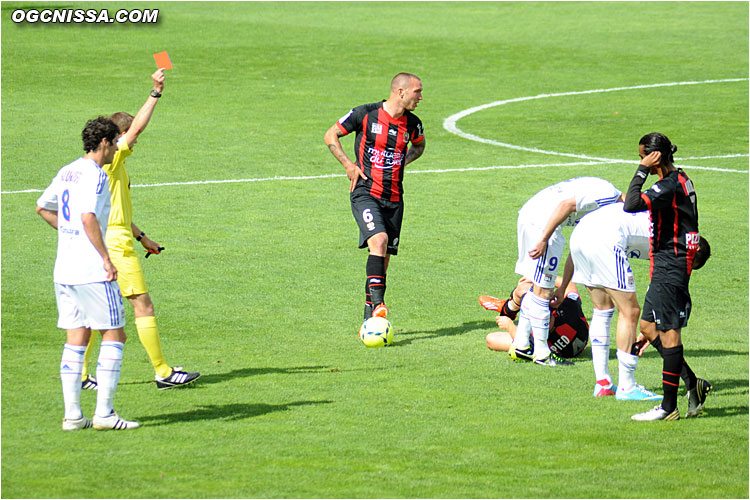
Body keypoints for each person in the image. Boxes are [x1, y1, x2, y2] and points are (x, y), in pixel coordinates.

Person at [81, 69, 200, 391]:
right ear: (115, 137)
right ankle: (162, 372)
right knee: (142, 305)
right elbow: (135, 131)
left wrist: (142, 236)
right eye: (129, 136)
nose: (135, 143)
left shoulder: (90, 166)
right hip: (114, 244)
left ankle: (79, 375)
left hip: (99, 241)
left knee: (98, 310)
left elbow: (110, 207)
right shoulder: (113, 159)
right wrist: (155, 92)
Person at [36, 116, 139, 431]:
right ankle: (105, 415)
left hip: (64, 270)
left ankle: (72, 417)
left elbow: (43, 207)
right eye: (113, 146)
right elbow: (88, 217)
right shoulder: (95, 175)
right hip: (91, 271)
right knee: (114, 333)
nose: (114, 153)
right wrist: (106, 259)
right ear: (105, 143)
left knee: (76, 337)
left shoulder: (67, 170)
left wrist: (69, 235)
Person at [323, 73, 425, 332]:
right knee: (377, 240)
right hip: (365, 192)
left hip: (394, 198)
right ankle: (380, 305)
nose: (421, 98)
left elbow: (420, 146)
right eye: (417, 92)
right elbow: (331, 135)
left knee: (383, 258)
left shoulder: (413, 124)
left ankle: (370, 318)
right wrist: (348, 165)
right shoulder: (365, 114)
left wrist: (402, 161)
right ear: (400, 92)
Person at [624, 132, 711, 421]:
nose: (641, 161)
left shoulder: (670, 184)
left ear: (655, 157)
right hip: (668, 262)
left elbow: (632, 204)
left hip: (671, 266)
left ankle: (668, 407)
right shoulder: (682, 178)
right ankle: (693, 384)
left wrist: (640, 172)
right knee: (649, 327)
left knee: (670, 333)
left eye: (643, 156)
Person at [509, 177, 623, 366]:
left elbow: (578, 248)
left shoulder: (604, 203)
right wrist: (544, 238)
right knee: (543, 291)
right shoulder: (608, 198)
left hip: (532, 215)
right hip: (542, 225)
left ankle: (521, 345)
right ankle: (543, 355)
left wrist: (562, 289)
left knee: (537, 285)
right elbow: (567, 204)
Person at [562, 202, 662, 400]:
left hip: (581, 234)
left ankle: (603, 383)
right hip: (605, 237)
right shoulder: (673, 241)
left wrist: (564, 284)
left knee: (602, 308)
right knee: (630, 311)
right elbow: (661, 283)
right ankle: (627, 386)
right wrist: (652, 326)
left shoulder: (665, 218)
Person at [481, 277, 589, 359]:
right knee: (528, 288)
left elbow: (521, 346)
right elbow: (570, 285)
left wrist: (510, 326)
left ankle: (508, 309)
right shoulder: (570, 309)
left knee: (523, 289)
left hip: (566, 343)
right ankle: (508, 308)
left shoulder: (541, 340)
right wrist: (544, 279)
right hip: (578, 337)